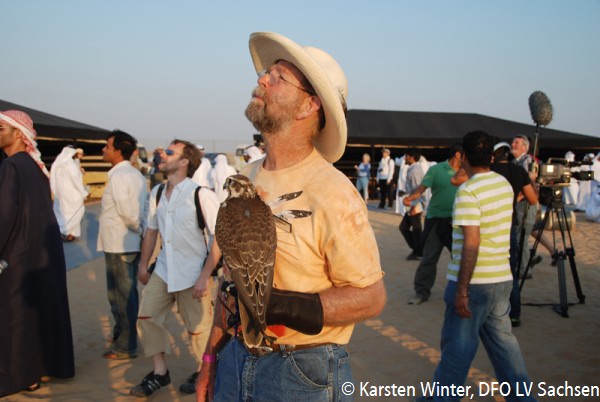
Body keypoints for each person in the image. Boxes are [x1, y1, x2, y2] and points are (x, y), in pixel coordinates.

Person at [195, 31, 386, 402]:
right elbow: (230, 281)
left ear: (308, 106)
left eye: (278, 77)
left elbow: (371, 298)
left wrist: (278, 306)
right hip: (234, 357)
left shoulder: (333, 191)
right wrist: (210, 357)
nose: (262, 79)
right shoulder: (246, 177)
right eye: (266, 72)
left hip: (300, 371)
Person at [416, 131, 537, 402]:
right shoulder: (503, 184)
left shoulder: (468, 191)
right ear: (492, 157)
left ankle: (442, 399)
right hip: (501, 278)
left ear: (464, 158)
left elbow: (471, 242)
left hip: (476, 283)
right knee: (504, 346)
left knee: (457, 348)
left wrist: (462, 290)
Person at [130, 140, 220, 397]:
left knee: (198, 330)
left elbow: (219, 238)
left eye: (170, 152)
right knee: (146, 318)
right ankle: (160, 372)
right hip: (163, 271)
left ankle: (203, 372)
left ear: (184, 161)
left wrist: (205, 276)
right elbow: (151, 231)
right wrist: (143, 265)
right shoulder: (157, 193)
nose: (162, 154)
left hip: (194, 274)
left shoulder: (202, 195)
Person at [0, 110, 75, 396]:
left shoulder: (11, 166)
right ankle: (39, 369)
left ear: (19, 133)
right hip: (40, 253)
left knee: (14, 317)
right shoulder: (34, 167)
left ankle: (19, 377)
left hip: (17, 255)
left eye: (1, 128)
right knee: (36, 314)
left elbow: (4, 215)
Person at [97, 130, 148, 360]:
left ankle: (126, 346)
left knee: (122, 297)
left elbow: (128, 212)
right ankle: (122, 336)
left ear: (118, 151)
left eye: (107, 146)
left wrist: (136, 229)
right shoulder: (134, 174)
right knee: (122, 295)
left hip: (120, 244)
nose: (104, 150)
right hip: (123, 242)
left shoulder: (120, 176)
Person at [403, 144, 462, 305]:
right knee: (429, 258)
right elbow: (422, 188)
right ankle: (421, 292)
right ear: (458, 154)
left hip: (457, 222)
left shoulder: (467, 172)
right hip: (436, 220)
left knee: (459, 259)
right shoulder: (436, 170)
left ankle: (462, 293)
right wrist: (410, 198)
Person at [490, 142, 538, 327]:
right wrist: (516, 197)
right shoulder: (518, 171)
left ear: (493, 155)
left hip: (488, 224)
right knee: (511, 270)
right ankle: (514, 313)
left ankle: (490, 310)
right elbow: (532, 199)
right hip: (509, 223)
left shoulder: (488, 171)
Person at [511, 135, 539, 273]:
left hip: (524, 203)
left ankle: (523, 269)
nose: (513, 145)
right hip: (519, 203)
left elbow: (527, 184)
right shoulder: (515, 162)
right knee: (518, 236)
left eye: (517, 143)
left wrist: (517, 198)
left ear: (525, 147)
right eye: (513, 142)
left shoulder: (527, 161)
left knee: (521, 236)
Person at [50, 146, 89, 242]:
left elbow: (53, 179)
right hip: (72, 194)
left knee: (63, 213)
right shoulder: (70, 165)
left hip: (61, 194)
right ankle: (62, 230)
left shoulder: (58, 164)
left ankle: (70, 234)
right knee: (76, 213)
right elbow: (76, 181)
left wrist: (55, 191)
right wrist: (84, 193)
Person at [399, 147, 425, 260]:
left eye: (406, 156)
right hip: (413, 202)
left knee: (414, 229)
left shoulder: (414, 170)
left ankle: (419, 251)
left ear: (411, 157)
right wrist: (404, 192)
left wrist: (414, 205)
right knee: (409, 228)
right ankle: (418, 250)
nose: (405, 158)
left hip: (416, 203)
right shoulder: (413, 169)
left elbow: (418, 189)